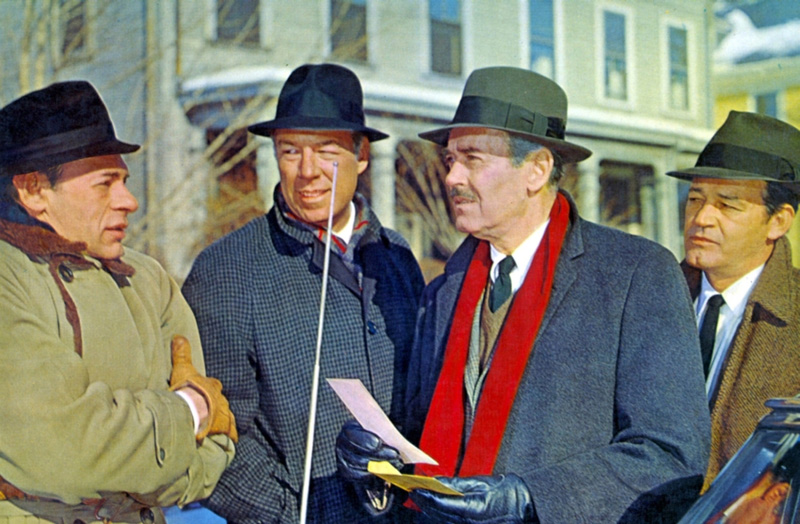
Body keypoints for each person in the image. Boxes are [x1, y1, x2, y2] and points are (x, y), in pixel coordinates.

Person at [336, 66, 711, 523]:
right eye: (450, 159)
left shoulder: (636, 275)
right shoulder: (444, 292)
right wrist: (376, 465)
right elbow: (419, 439)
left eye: (472, 159)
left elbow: (671, 455)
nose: (451, 177)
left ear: (536, 170)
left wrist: (530, 497)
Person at [181, 63, 424, 523]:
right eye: (290, 151)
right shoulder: (226, 272)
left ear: (362, 154)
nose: (307, 172)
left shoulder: (398, 259)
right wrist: (295, 513)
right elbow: (216, 432)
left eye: (326, 150)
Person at [0, 81, 237, 524]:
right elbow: (64, 449)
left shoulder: (149, 280)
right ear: (33, 191)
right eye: (104, 183)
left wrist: (124, 459)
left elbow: (215, 451)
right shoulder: (7, 279)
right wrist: (189, 409)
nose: (129, 201)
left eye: (124, 181)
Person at [666, 111, 800, 490]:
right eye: (695, 198)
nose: (702, 218)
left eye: (728, 205)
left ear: (778, 222)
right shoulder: (646, 296)